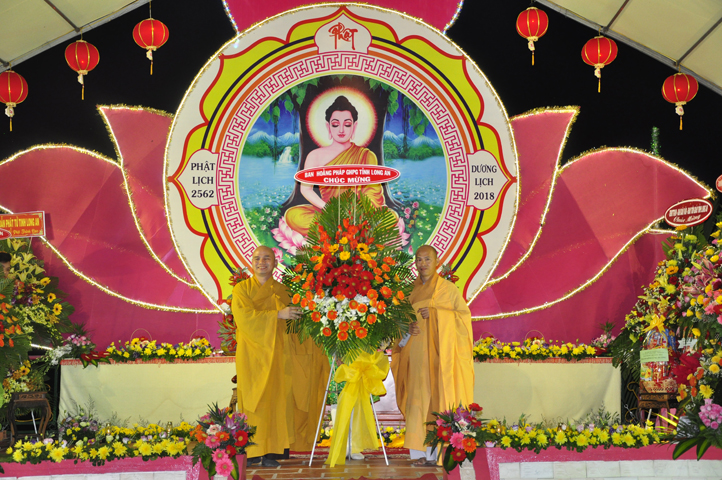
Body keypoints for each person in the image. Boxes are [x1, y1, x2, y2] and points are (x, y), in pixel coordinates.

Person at [233, 246, 329, 467]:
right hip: (252, 355)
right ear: (251, 262)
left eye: (267, 258)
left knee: (278, 401)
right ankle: (253, 451)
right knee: (254, 401)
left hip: (280, 355)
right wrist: (277, 314)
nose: (262, 262)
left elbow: (297, 322)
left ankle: (272, 452)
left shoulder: (284, 291)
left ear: (275, 263)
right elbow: (244, 318)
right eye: (257, 258)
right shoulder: (242, 289)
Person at [391, 245, 474, 466]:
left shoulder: (448, 289)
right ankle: (419, 453)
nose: (423, 264)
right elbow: (398, 324)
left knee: (438, 400)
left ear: (437, 262)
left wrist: (437, 314)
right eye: (419, 259)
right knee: (417, 401)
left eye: (427, 259)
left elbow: (463, 319)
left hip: (440, 358)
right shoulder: (409, 291)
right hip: (416, 356)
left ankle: (438, 453)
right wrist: (406, 328)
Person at [283, 95, 391, 237]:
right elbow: (306, 189)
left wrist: (358, 213)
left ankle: (340, 231)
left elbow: (372, 193)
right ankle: (349, 232)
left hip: (359, 213)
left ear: (354, 126)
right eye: (335, 125)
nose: (341, 130)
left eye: (347, 125)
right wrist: (328, 209)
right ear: (328, 126)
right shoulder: (315, 156)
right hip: (328, 212)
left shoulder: (366, 155)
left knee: (389, 217)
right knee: (293, 215)